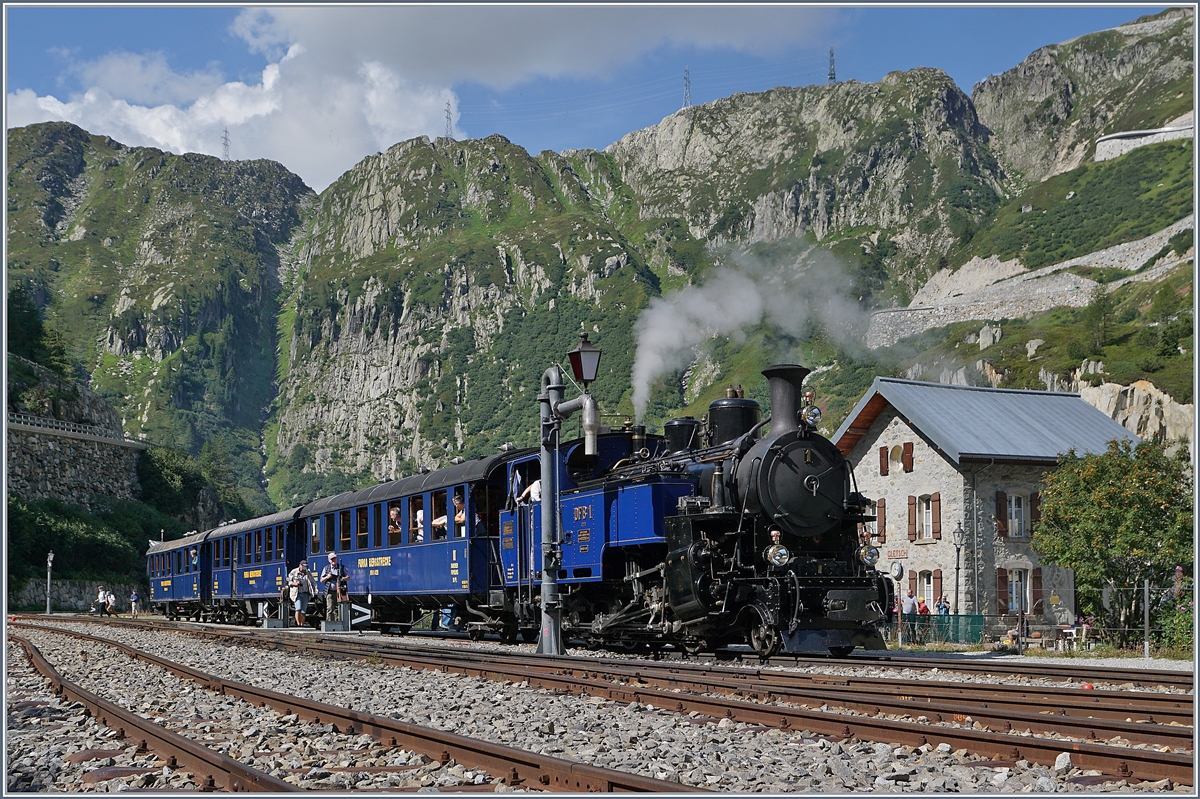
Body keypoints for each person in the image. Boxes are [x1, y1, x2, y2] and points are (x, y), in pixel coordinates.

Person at [320, 551, 348, 623]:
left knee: (338, 608)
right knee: (330, 608)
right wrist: (327, 577)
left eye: (335, 559)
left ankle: (337, 622)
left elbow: (348, 577)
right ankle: (329, 623)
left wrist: (343, 578)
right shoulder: (326, 568)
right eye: (332, 559)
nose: (333, 560)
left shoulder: (341, 567)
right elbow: (321, 580)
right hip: (330, 591)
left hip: (340, 591)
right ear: (329, 560)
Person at [287, 561, 316, 627]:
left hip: (305, 593)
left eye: (305, 566)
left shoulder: (308, 572)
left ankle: (302, 624)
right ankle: (298, 624)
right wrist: (294, 584)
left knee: (303, 610)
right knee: (298, 608)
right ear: (300, 565)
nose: (304, 568)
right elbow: (288, 580)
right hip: (297, 593)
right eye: (303, 566)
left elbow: (312, 581)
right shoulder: (294, 572)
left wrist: (315, 588)